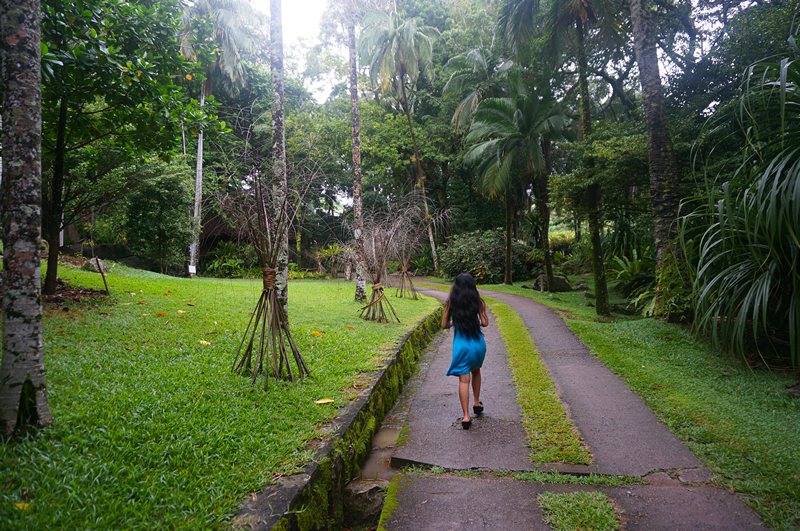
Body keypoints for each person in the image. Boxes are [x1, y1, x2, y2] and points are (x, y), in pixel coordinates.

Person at [441, 273, 489, 430]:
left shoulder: (451, 302)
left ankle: (466, 417)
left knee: (463, 380)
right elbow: (485, 323)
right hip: (477, 344)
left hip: (461, 345)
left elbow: (443, 325)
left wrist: (455, 321)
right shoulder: (479, 302)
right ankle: (476, 402)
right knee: (476, 371)